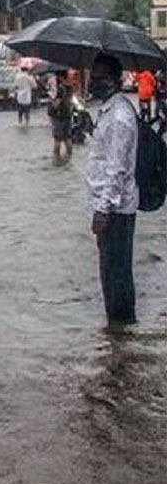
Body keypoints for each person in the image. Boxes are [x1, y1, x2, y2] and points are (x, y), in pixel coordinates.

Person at [86, 53, 139, 329]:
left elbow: (117, 169)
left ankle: (121, 329)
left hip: (115, 210)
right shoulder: (109, 111)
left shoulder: (119, 117)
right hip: (110, 207)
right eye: (93, 77)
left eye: (101, 77)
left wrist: (103, 210)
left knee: (115, 274)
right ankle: (121, 336)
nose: (95, 82)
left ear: (116, 80)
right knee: (112, 273)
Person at [47, 71, 74, 159]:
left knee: (57, 139)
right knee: (68, 138)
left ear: (60, 77)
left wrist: (51, 98)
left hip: (59, 116)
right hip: (68, 114)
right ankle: (69, 156)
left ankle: (56, 158)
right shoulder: (70, 87)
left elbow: (56, 105)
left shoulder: (60, 88)